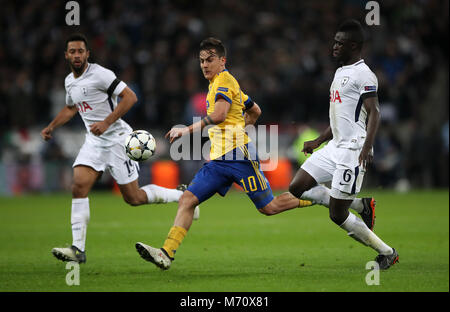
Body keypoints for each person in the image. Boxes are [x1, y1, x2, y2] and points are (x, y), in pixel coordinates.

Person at [134, 37, 314, 270]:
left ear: (222, 60)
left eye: (210, 60)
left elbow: (219, 115)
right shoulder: (222, 83)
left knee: (268, 208)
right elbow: (255, 110)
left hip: (239, 156)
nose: (204, 65)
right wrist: (239, 126)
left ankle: (316, 197)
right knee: (188, 199)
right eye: (201, 61)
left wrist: (186, 130)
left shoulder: (223, 82)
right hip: (219, 160)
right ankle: (166, 253)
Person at [40, 33, 199, 264]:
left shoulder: (101, 74)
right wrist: (51, 126)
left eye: (80, 51)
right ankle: (77, 249)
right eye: (72, 51)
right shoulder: (69, 82)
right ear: (66, 55)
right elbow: (71, 108)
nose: (76, 55)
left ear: (87, 54)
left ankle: (183, 196)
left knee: (133, 198)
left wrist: (106, 122)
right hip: (94, 142)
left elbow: (130, 97)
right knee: (78, 187)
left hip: (117, 140)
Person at [289, 20, 399, 269]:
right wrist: (318, 140)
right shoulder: (339, 72)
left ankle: (387, 252)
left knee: (337, 214)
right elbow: (341, 117)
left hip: (352, 150)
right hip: (334, 146)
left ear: (354, 45)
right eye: (334, 41)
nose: (334, 46)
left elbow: (375, 113)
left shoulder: (364, 74)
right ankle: (361, 205)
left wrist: (366, 147)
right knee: (297, 187)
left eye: (340, 42)